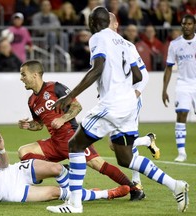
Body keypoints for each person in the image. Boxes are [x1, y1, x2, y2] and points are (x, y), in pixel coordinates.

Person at [46, 6, 189, 213]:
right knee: (126, 158)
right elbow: (138, 77)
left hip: (112, 104)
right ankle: (174, 184)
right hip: (129, 105)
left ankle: (74, 204)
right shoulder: (126, 43)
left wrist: (70, 96)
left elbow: (97, 68)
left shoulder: (97, 37)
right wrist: (118, 84)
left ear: (94, 22)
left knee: (75, 144)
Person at [18, 59, 144, 201]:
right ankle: (60, 169)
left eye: (24, 74)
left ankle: (134, 189)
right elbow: (39, 124)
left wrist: (63, 118)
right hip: (55, 142)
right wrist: (29, 125)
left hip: (72, 137)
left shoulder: (55, 87)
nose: (21, 78)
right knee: (23, 152)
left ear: (35, 75)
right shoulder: (31, 101)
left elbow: (77, 106)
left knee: (98, 164)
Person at [0, 121, 130, 205]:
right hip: (9, 192)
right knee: (56, 193)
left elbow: (3, 166)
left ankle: (77, 196)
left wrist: (1, 150)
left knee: (56, 168)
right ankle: (105, 194)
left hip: (14, 173)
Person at [108, 12, 160, 187]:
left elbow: (143, 75)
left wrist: (135, 94)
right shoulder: (103, 46)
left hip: (129, 99)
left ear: (116, 25)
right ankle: (147, 140)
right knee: (113, 144)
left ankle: (136, 184)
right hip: (114, 102)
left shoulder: (127, 46)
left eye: (107, 23)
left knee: (124, 143)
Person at [162, 14, 196, 162]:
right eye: (184, 24)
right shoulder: (175, 44)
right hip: (183, 84)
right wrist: (164, 89)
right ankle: (181, 152)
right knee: (181, 115)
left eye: (189, 24)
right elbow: (169, 67)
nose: (186, 26)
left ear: (194, 25)